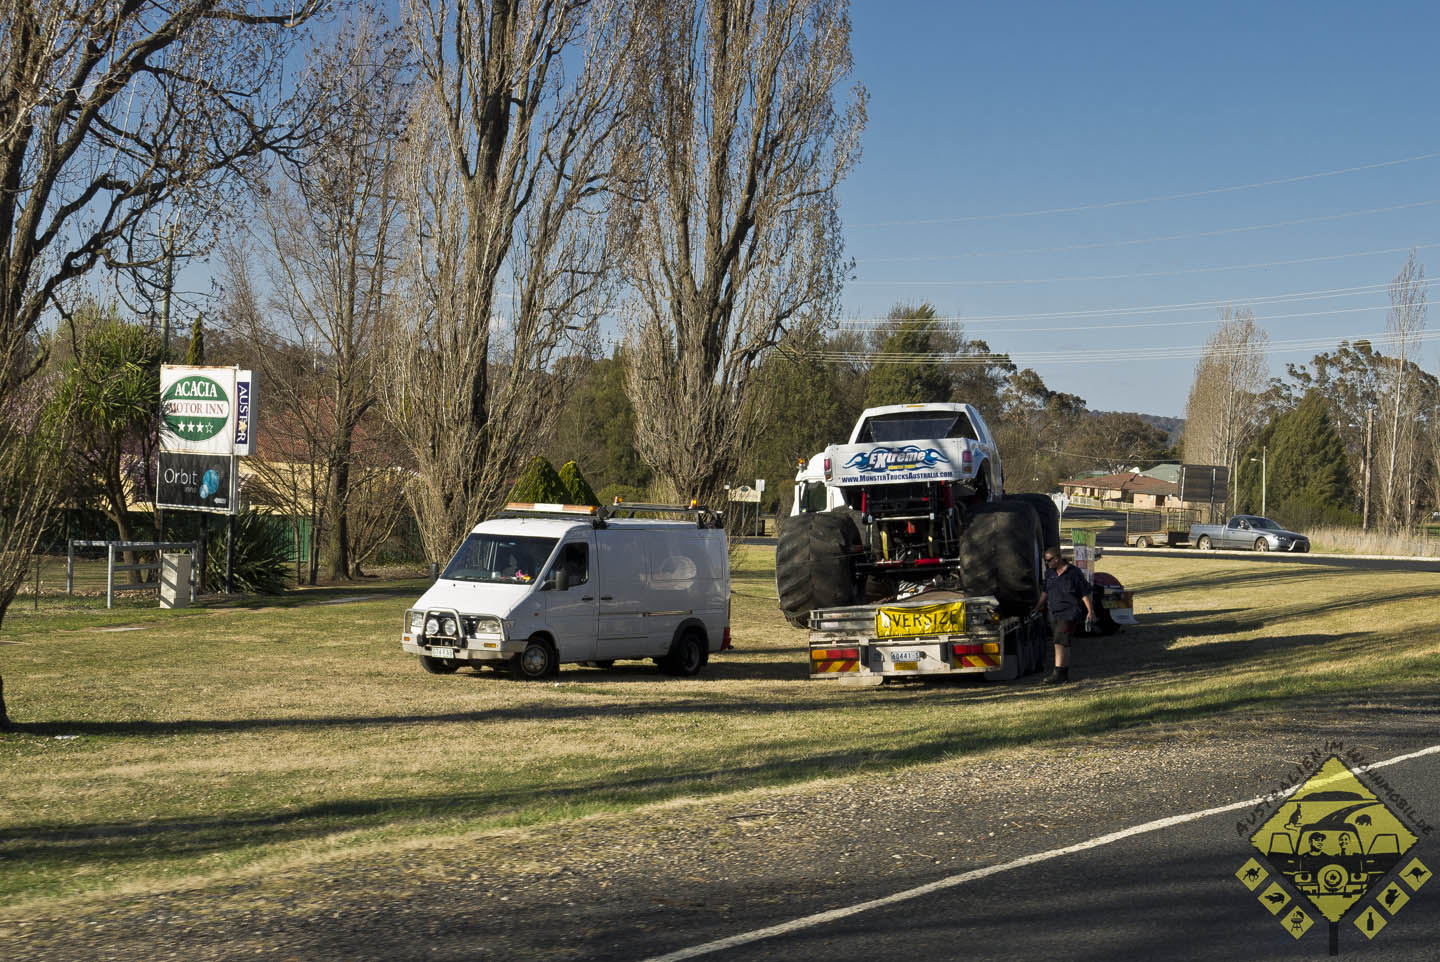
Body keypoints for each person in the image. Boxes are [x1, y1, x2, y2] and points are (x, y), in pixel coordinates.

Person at [1034, 546, 1097, 685]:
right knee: (1064, 643)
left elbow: (1084, 593)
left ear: (1057, 559)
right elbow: (1045, 592)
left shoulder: (1073, 573)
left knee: (1059, 641)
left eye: (1049, 560)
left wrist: (1090, 611)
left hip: (1069, 612)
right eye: (1046, 561)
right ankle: (1064, 674)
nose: (1047, 563)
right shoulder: (1050, 573)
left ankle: (1057, 674)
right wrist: (1038, 607)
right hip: (1053, 612)